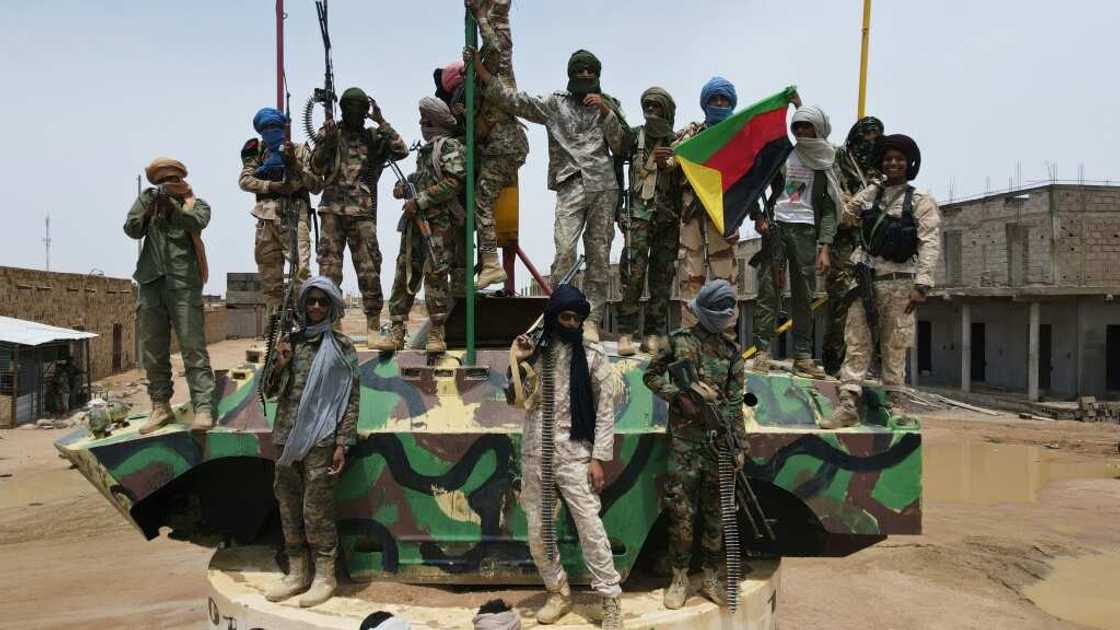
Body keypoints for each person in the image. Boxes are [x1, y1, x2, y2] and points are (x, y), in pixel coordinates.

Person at [474, 48, 627, 341]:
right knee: (565, 252)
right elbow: (515, 101)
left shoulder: (610, 105)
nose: (584, 76)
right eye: (579, 71)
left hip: (603, 186)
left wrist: (606, 112)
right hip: (570, 184)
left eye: (590, 72)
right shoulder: (555, 104)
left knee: (598, 257)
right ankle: (563, 314)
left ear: (598, 75)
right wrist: (482, 72)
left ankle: (592, 320)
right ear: (570, 74)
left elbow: (620, 146)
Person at [506, 284, 622, 629]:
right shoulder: (535, 352)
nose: (571, 323)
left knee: (591, 528)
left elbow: (605, 409)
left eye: (576, 318)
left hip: (575, 455)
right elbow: (515, 399)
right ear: (554, 317)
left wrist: (598, 457)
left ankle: (610, 599)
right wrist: (517, 361)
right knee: (538, 532)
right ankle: (557, 592)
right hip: (536, 454)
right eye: (565, 316)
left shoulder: (592, 356)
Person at [823, 134, 941, 429]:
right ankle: (848, 403)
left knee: (895, 344)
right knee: (857, 341)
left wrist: (923, 284)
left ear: (909, 163)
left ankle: (895, 404)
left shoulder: (921, 201)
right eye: (888, 159)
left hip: (901, 282)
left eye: (899, 159)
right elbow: (846, 217)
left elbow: (930, 242)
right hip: (866, 280)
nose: (893, 163)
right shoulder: (870, 195)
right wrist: (869, 191)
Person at [643, 279, 747, 610]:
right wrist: (678, 398)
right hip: (684, 445)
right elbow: (651, 375)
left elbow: (734, 403)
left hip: (718, 447)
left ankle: (712, 575)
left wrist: (738, 446)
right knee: (682, 514)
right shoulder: (677, 342)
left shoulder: (732, 353)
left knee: (717, 517)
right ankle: (679, 577)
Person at [263, 276, 359, 607]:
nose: (316, 306)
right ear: (303, 304)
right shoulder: (290, 342)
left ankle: (324, 576)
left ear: (331, 305)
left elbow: (350, 399)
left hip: (321, 440)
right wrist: (279, 362)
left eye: (322, 301)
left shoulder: (342, 346)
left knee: (316, 509)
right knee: (288, 505)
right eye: (311, 301)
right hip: (288, 437)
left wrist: (342, 443)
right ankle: (296, 573)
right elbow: (270, 391)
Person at [311, 87, 409, 346]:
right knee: (329, 269)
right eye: (349, 108)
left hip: (362, 212)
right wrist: (328, 143)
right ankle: (331, 325)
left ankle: (373, 326)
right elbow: (316, 167)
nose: (353, 113)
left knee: (369, 269)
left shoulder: (373, 137)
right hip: (332, 210)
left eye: (359, 109)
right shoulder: (330, 133)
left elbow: (401, 150)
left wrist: (382, 121)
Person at [124, 157, 216, 434]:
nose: (168, 185)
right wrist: (148, 211)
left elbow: (198, 222)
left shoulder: (195, 204)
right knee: (153, 350)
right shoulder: (148, 200)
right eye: (162, 181)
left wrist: (173, 210)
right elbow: (131, 229)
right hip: (151, 281)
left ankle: (203, 407)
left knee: (192, 347)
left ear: (182, 180)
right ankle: (160, 406)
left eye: (172, 180)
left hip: (183, 283)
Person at [751, 104, 840, 378]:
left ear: (818, 130)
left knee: (804, 296)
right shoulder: (782, 155)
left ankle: (802, 355)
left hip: (806, 233)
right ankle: (762, 351)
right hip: (777, 228)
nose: (801, 131)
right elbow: (753, 184)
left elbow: (829, 209)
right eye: (797, 126)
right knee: (768, 291)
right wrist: (758, 216)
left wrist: (825, 245)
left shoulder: (826, 161)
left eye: (807, 126)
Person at [377, 97, 467, 353]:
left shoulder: (449, 147)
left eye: (426, 121)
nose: (422, 125)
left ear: (436, 122)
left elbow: (454, 182)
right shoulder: (427, 151)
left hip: (438, 225)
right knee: (404, 271)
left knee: (436, 276)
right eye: (421, 120)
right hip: (415, 224)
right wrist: (405, 188)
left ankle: (437, 333)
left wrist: (422, 200)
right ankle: (396, 329)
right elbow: (423, 179)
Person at [669, 77, 744, 330]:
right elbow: (671, 159)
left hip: (725, 210)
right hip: (692, 213)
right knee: (691, 276)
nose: (720, 103)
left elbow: (750, 176)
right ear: (705, 103)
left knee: (726, 279)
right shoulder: (692, 134)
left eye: (724, 99)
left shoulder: (738, 135)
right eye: (714, 99)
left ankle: (727, 338)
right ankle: (690, 336)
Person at [466, 0, 530, 289]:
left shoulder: (493, 73)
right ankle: (489, 262)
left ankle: (491, 263)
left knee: (482, 198)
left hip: (504, 144)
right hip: (507, 144)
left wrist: (479, 16)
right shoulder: (497, 73)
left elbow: (493, 46)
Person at [616, 87, 683, 357]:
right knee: (632, 273)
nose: (652, 112)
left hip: (668, 218)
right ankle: (625, 333)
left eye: (657, 108)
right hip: (639, 216)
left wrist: (673, 163)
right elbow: (616, 165)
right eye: (649, 107)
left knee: (662, 278)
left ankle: (653, 334)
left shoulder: (678, 142)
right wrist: (618, 209)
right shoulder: (635, 137)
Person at [240, 107, 322, 318]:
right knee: (269, 277)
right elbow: (245, 181)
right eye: (266, 128)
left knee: (301, 272)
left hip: (294, 215)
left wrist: (294, 163)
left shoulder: (300, 150)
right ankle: (275, 328)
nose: (270, 132)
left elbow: (315, 185)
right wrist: (272, 186)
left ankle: (305, 322)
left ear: (283, 128)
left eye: (275, 127)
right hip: (266, 218)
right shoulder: (258, 152)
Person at [823, 116, 885, 375]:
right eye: (865, 138)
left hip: (872, 245)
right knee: (842, 302)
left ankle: (861, 365)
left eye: (875, 138)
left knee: (871, 304)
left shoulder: (879, 170)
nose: (869, 144)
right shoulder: (839, 159)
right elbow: (834, 197)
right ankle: (834, 363)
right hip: (843, 243)